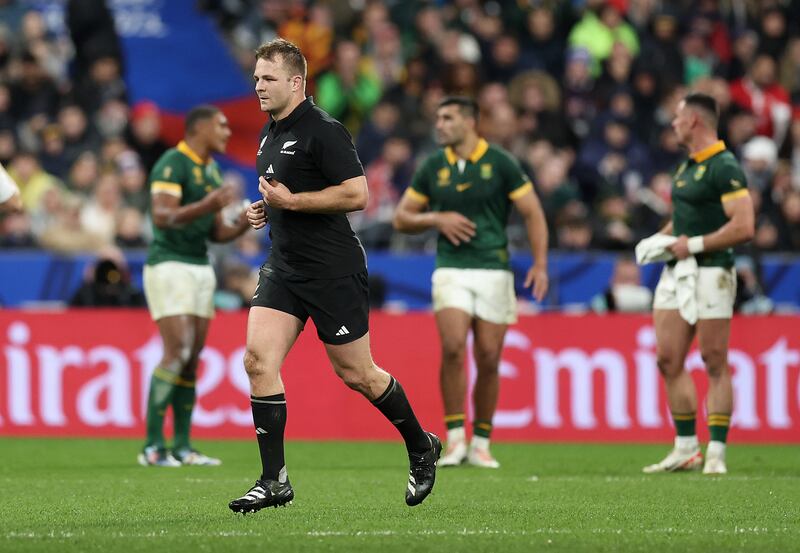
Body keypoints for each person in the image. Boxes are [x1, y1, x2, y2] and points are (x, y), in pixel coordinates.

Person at [228, 38, 440, 514]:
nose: (259, 86)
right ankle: (273, 479)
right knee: (257, 361)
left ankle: (421, 445)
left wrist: (294, 203)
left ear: (296, 82)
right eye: (257, 78)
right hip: (284, 267)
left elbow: (357, 194)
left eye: (269, 79)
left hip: (332, 270)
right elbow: (289, 192)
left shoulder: (324, 130)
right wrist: (267, 209)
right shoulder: (268, 132)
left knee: (357, 374)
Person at [392, 96, 549, 469]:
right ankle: (457, 437)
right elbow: (402, 217)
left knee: (490, 358)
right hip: (451, 267)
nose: (440, 125)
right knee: (451, 347)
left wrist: (540, 264)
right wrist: (438, 219)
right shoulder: (433, 166)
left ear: (469, 122)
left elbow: (533, 212)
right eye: (438, 118)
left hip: (494, 267)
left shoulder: (501, 163)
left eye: (447, 118)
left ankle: (482, 441)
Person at [642, 93, 754, 475]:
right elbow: (683, 222)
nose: (672, 123)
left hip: (712, 270)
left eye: (677, 117)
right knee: (668, 357)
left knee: (714, 359)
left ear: (693, 121)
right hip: (678, 270)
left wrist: (695, 245)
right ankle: (686, 447)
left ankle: (717, 451)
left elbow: (744, 225)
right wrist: (659, 242)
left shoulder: (724, 166)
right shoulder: (686, 167)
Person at [139, 105, 251, 467]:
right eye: (221, 126)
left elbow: (217, 231)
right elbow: (162, 216)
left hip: (201, 265)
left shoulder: (211, 169)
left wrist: (246, 223)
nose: (226, 132)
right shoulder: (173, 162)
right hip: (170, 264)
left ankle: (183, 447)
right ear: (199, 129)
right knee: (177, 351)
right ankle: (153, 447)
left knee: (191, 359)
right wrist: (207, 204)